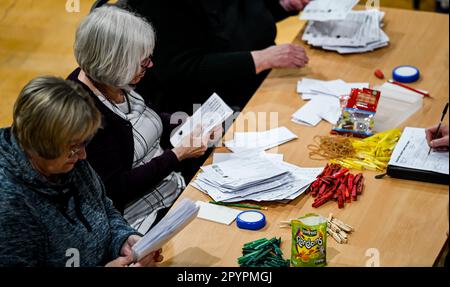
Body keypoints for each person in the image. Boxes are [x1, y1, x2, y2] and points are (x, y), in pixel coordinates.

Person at [68, 6, 221, 234]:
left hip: (172, 185)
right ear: (115, 63)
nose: (150, 65)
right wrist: (178, 154)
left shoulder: (113, 80)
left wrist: (185, 122)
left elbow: (147, 118)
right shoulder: (84, 114)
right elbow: (117, 188)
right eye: (143, 61)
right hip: (139, 217)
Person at [0, 76, 162, 267]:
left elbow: (105, 208)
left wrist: (125, 239)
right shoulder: (9, 203)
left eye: (84, 143)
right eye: (75, 147)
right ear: (39, 145)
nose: (83, 155)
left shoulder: (67, 158)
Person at [123, 0, 310, 113]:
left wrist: (282, 5)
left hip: (263, 78)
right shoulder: (162, 5)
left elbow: (242, 18)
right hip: (207, 104)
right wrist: (260, 59)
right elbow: (180, 69)